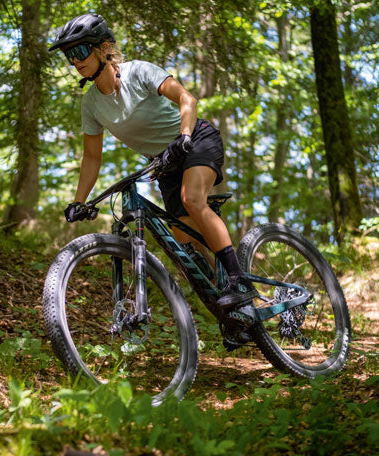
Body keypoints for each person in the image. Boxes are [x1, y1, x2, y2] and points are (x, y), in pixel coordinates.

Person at [48, 13, 258, 335]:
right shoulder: (91, 104)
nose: (75, 61)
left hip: (195, 140)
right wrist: (80, 201)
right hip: (164, 162)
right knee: (183, 238)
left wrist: (185, 136)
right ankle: (233, 312)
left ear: (105, 48)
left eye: (81, 51)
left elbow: (187, 98)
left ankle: (238, 279)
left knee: (192, 199)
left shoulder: (139, 72)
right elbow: (91, 157)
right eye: (69, 55)